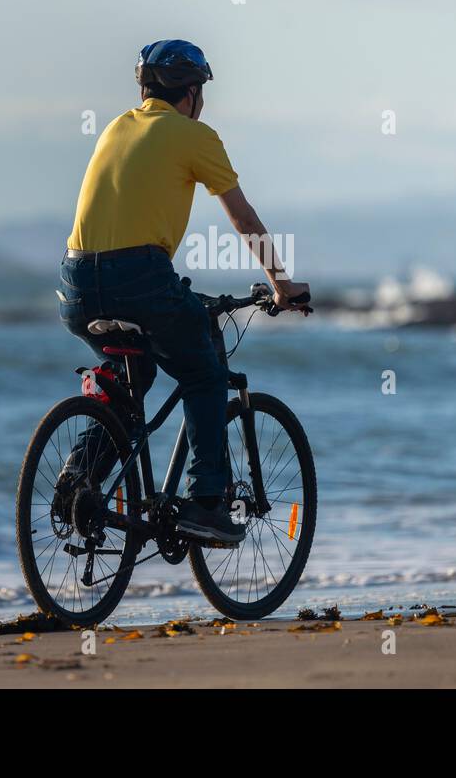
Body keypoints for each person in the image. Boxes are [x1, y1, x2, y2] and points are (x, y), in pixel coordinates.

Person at [57, 39, 310, 544]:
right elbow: (242, 216)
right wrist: (281, 286)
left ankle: (80, 477)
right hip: (140, 276)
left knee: (133, 378)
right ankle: (206, 503)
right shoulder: (194, 136)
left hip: (76, 281)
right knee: (203, 373)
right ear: (190, 92)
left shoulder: (116, 127)